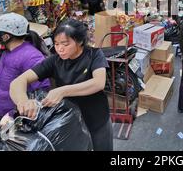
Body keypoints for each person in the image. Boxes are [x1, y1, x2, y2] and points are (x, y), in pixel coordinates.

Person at [10, 19, 113, 151]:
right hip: (69, 122)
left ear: (80, 41)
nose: (60, 49)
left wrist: (62, 91)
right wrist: (23, 101)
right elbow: (18, 82)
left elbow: (98, 83)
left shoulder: (94, 55)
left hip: (96, 119)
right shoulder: (54, 61)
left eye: (65, 44)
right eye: (57, 44)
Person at [0, 13, 50, 120]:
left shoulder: (31, 57)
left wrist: (13, 114)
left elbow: (41, 93)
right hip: (1, 112)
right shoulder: (5, 51)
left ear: (5, 36)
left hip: (16, 117)